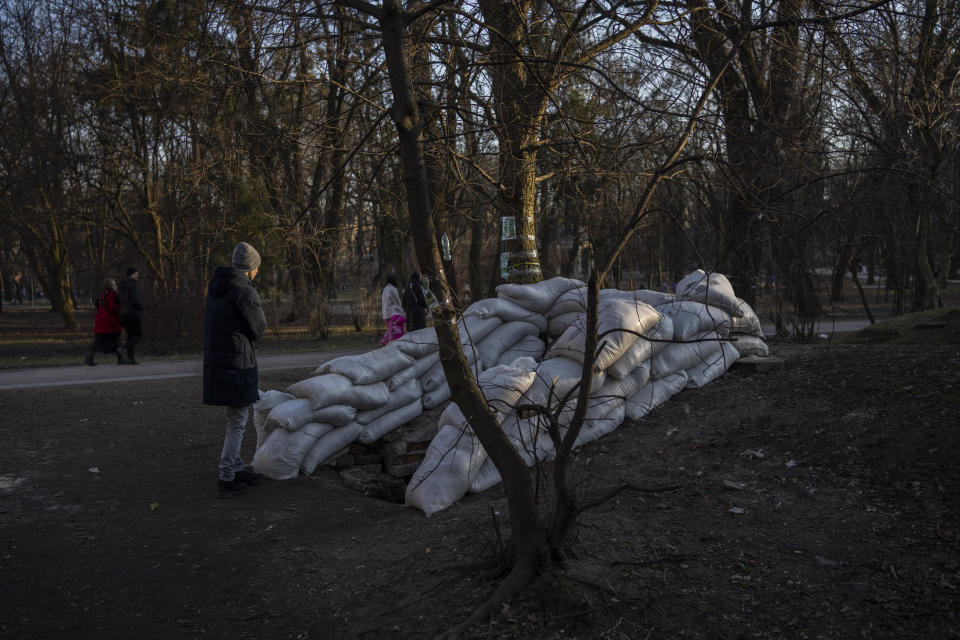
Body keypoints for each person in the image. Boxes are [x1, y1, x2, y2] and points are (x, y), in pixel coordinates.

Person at [203, 241, 267, 499]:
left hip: (220, 362)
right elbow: (258, 329)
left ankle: (238, 467)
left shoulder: (217, 287)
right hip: (237, 362)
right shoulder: (244, 291)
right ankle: (227, 475)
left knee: (235, 417)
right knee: (238, 421)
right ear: (251, 268)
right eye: (257, 268)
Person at [84, 279, 130, 366]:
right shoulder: (112, 294)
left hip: (101, 322)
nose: (116, 285)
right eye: (114, 284)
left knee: (98, 342)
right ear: (110, 285)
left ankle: (89, 358)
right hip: (110, 322)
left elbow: (98, 306)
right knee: (117, 341)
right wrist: (120, 309)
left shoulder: (102, 294)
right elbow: (112, 307)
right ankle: (122, 359)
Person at [117, 267, 144, 364]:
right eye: (135, 273)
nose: (137, 275)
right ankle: (123, 348)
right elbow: (135, 300)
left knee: (130, 336)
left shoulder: (121, 285)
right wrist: (141, 307)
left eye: (137, 273)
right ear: (130, 275)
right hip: (133, 313)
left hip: (123, 314)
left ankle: (130, 359)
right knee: (138, 335)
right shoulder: (133, 284)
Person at [380, 274, 405, 345]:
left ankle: (385, 341)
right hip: (392, 313)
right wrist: (400, 309)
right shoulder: (393, 289)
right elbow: (397, 301)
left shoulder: (385, 289)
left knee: (389, 329)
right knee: (392, 330)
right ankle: (387, 342)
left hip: (385, 312)